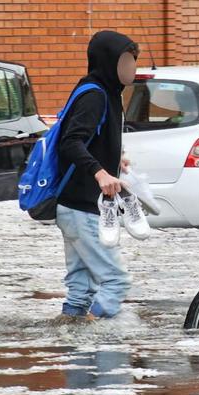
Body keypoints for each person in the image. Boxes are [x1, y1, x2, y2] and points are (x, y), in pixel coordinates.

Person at [55, 30, 139, 322]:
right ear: (107, 61)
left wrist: (114, 159)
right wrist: (100, 171)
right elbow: (70, 142)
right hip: (82, 207)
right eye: (126, 61)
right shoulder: (95, 94)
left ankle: (76, 351)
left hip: (77, 206)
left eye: (133, 61)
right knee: (115, 282)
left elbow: (89, 139)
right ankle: (108, 355)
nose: (132, 68)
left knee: (81, 288)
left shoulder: (106, 91)